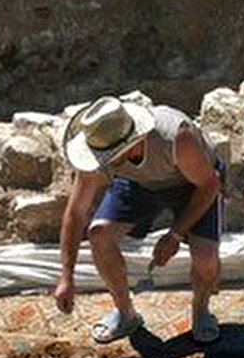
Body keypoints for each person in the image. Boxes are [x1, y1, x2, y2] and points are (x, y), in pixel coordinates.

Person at [54, 95, 226, 344]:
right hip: (138, 185)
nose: (103, 164)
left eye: (110, 157)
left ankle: (201, 309)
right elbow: (76, 211)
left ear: (132, 142)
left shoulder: (176, 138)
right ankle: (126, 314)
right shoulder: (99, 145)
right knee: (99, 234)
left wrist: (175, 235)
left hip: (192, 184)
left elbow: (209, 185)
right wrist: (66, 276)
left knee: (206, 255)